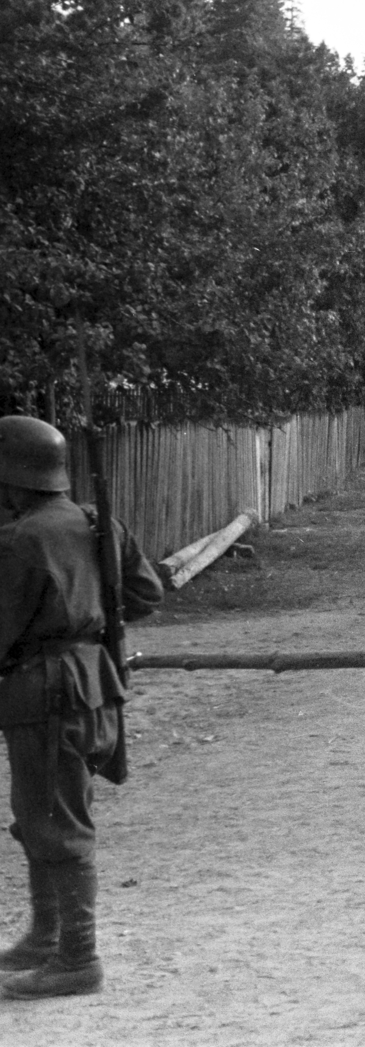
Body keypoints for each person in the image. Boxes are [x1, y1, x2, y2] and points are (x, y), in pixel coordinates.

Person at [0, 415, 163, 999]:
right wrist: (90, 615)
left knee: (56, 823)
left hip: (45, 691)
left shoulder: (21, 540)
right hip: (95, 685)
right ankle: (46, 938)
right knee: (43, 810)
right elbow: (146, 594)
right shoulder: (97, 523)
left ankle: (76, 958)